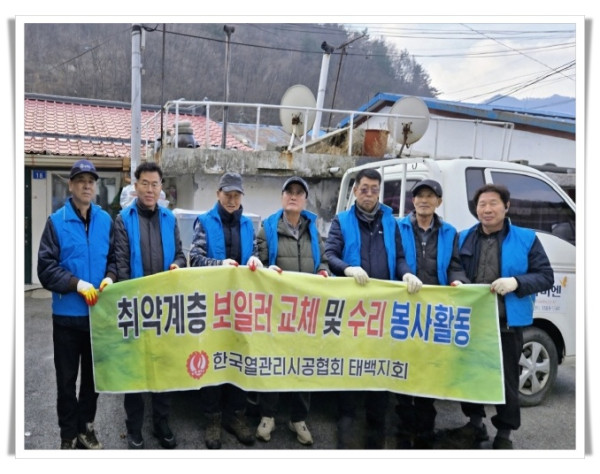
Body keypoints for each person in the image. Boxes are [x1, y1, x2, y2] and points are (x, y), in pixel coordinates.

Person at [436, 183, 554, 449]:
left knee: (506, 380)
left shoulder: (526, 238)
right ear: (475, 209)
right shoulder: (464, 237)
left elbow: (546, 276)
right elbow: (454, 267)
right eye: (482, 204)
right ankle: (474, 424)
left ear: (506, 207)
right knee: (470, 375)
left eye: (493, 203)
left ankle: (504, 434)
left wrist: (516, 282)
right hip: (472, 321)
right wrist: (459, 282)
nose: (487, 209)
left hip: (506, 323)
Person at [324, 168, 423, 449]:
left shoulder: (391, 222)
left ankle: (376, 430)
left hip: (383, 311)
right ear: (355, 191)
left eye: (374, 189)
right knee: (350, 364)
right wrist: (347, 268)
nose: (369, 194)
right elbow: (330, 254)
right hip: (352, 309)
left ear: (379, 191)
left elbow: (401, 257)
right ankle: (346, 424)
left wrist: (405, 273)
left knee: (379, 365)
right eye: (364, 188)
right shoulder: (342, 220)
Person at [37, 159, 116, 449]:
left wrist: (110, 276)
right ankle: (67, 435)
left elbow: (114, 260)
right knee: (66, 382)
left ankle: (86, 428)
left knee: (93, 381)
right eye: (80, 180)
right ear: (70, 185)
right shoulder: (56, 222)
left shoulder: (105, 220)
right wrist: (76, 284)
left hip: (97, 316)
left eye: (91, 181)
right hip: (67, 318)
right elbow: (45, 269)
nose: (86, 185)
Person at [112, 161, 187, 449]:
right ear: (135, 185)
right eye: (145, 183)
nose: (150, 189)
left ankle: (161, 423)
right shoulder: (123, 219)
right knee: (135, 371)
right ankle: (134, 428)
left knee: (164, 369)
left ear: (161, 188)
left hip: (166, 309)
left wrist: (177, 265)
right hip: (137, 308)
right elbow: (121, 265)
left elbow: (181, 255)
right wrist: (134, 301)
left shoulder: (169, 219)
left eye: (155, 184)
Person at [189, 171, 263, 449]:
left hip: (241, 306)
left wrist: (256, 260)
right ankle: (212, 418)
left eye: (236, 195)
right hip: (213, 305)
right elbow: (194, 259)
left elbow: (254, 255)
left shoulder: (247, 224)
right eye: (227, 194)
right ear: (218, 194)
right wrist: (219, 264)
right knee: (213, 359)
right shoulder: (205, 222)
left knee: (238, 359)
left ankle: (236, 416)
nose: (232, 200)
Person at [254, 176, 330, 446]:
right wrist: (265, 269)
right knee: (274, 363)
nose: (294, 196)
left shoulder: (313, 231)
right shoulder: (268, 229)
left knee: (303, 364)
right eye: (289, 192)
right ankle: (268, 415)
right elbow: (258, 265)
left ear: (305, 200)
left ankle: (298, 418)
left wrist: (323, 271)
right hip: (277, 310)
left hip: (307, 311)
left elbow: (324, 262)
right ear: (282, 197)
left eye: (299, 193)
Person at [395, 179, 469, 449]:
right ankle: (403, 431)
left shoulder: (450, 232)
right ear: (412, 201)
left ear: (439, 201)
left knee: (429, 369)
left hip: (434, 313)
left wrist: (457, 280)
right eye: (419, 196)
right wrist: (405, 273)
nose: (424, 200)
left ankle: (425, 430)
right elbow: (396, 257)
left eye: (430, 196)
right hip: (403, 308)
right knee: (402, 368)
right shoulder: (398, 226)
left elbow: (455, 264)